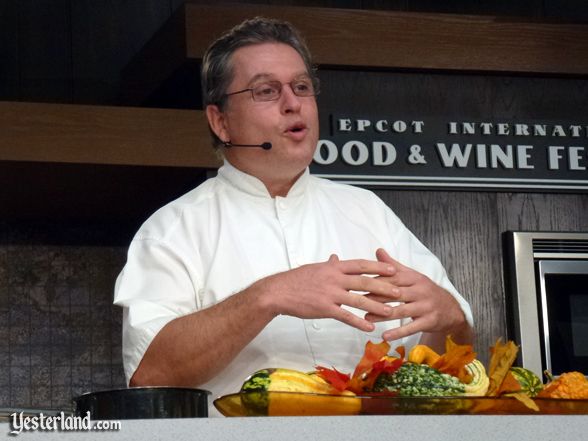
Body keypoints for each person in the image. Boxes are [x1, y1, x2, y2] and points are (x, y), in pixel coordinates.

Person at [113, 17, 474, 414]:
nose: (293, 102)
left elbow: (449, 366)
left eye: (301, 87)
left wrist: (451, 320)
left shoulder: (369, 212)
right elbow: (150, 375)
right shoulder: (171, 230)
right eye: (267, 90)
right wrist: (267, 296)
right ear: (221, 122)